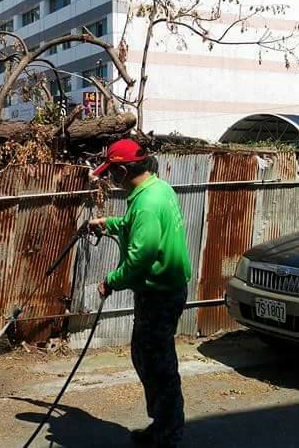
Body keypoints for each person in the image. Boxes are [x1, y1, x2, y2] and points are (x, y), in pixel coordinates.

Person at [89, 138, 192, 447]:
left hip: (158, 293)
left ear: (123, 170)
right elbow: (140, 227)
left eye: (111, 173)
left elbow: (141, 257)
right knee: (152, 358)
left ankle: (168, 432)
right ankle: (164, 425)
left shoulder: (146, 203)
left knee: (156, 363)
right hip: (166, 289)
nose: (109, 178)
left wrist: (112, 281)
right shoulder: (157, 190)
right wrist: (109, 223)